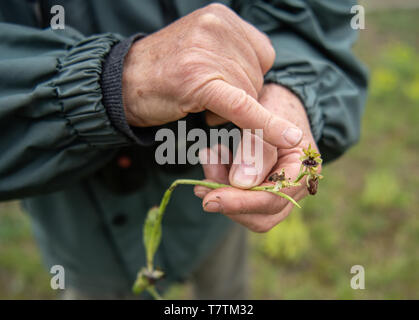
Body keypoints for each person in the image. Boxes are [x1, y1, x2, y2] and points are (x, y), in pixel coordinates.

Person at [0, 1, 367, 299]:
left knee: (226, 289)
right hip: (81, 225)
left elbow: (309, 13)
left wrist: (287, 85)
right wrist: (111, 80)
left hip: (213, 207)